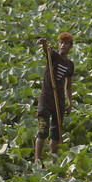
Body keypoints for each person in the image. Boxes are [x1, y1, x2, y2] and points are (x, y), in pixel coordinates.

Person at [34, 33, 74, 163]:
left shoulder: (70, 65)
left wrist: (69, 102)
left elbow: (68, 85)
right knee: (42, 130)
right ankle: (37, 160)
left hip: (59, 101)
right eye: (61, 43)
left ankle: (54, 162)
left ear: (70, 47)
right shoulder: (54, 57)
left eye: (66, 44)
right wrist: (44, 44)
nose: (63, 46)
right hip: (46, 99)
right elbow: (47, 50)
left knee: (56, 134)